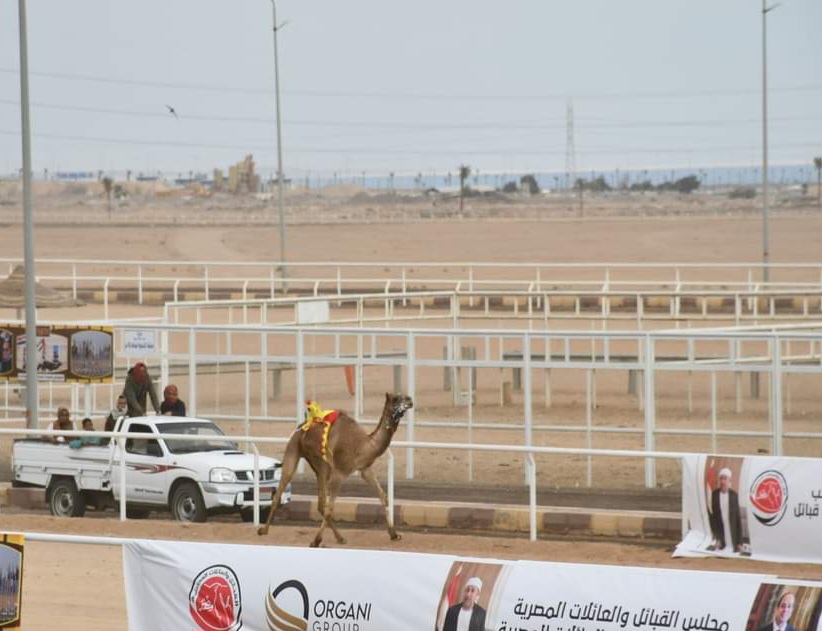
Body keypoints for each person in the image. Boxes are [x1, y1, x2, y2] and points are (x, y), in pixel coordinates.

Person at [708, 467, 743, 553]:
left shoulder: (734, 495)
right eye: (721, 478)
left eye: (725, 478)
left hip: (732, 535)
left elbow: (737, 519)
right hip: (720, 536)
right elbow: (712, 519)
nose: (723, 481)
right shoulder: (714, 495)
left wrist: (739, 543)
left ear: (729, 481)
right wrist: (717, 538)